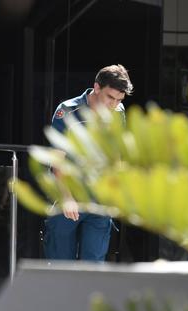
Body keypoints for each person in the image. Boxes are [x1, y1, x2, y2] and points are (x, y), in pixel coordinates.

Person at [44, 64, 133, 261]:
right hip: (68, 196)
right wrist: (66, 198)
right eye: (110, 97)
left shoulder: (118, 111)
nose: (114, 104)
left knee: (93, 266)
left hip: (100, 200)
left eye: (119, 99)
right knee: (61, 267)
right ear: (97, 87)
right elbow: (57, 161)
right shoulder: (67, 110)